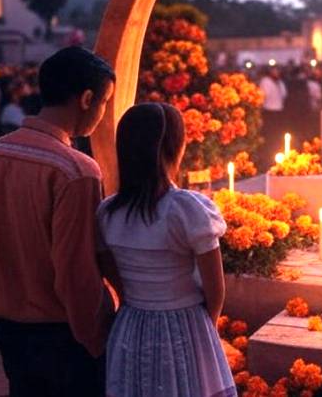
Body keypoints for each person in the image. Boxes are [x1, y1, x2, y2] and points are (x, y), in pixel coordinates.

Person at [0, 46, 116, 397]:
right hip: (63, 336)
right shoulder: (75, 170)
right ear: (87, 98)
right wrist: (97, 338)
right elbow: (76, 271)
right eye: (105, 102)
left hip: (10, 332)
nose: (103, 112)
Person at [97, 102, 236, 397]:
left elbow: (115, 279)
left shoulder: (108, 213)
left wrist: (139, 302)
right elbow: (216, 290)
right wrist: (201, 330)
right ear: (174, 149)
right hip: (186, 322)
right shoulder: (187, 209)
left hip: (132, 324)